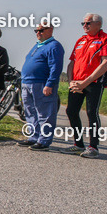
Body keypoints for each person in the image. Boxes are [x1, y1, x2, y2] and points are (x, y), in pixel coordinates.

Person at [62, 13, 107, 158]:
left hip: (94, 83)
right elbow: (72, 62)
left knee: (92, 113)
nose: (85, 26)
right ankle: (78, 145)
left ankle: (93, 147)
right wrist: (71, 80)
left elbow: (106, 63)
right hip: (76, 83)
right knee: (71, 111)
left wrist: (87, 81)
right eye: (83, 23)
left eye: (88, 23)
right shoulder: (81, 40)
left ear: (98, 24)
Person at [18, 23, 65, 151]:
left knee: (45, 113)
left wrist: (50, 84)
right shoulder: (37, 45)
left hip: (41, 84)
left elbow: (55, 67)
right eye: (36, 30)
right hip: (27, 83)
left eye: (41, 30)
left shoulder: (54, 46)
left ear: (50, 30)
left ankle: (44, 141)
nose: (38, 33)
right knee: (30, 112)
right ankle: (34, 137)